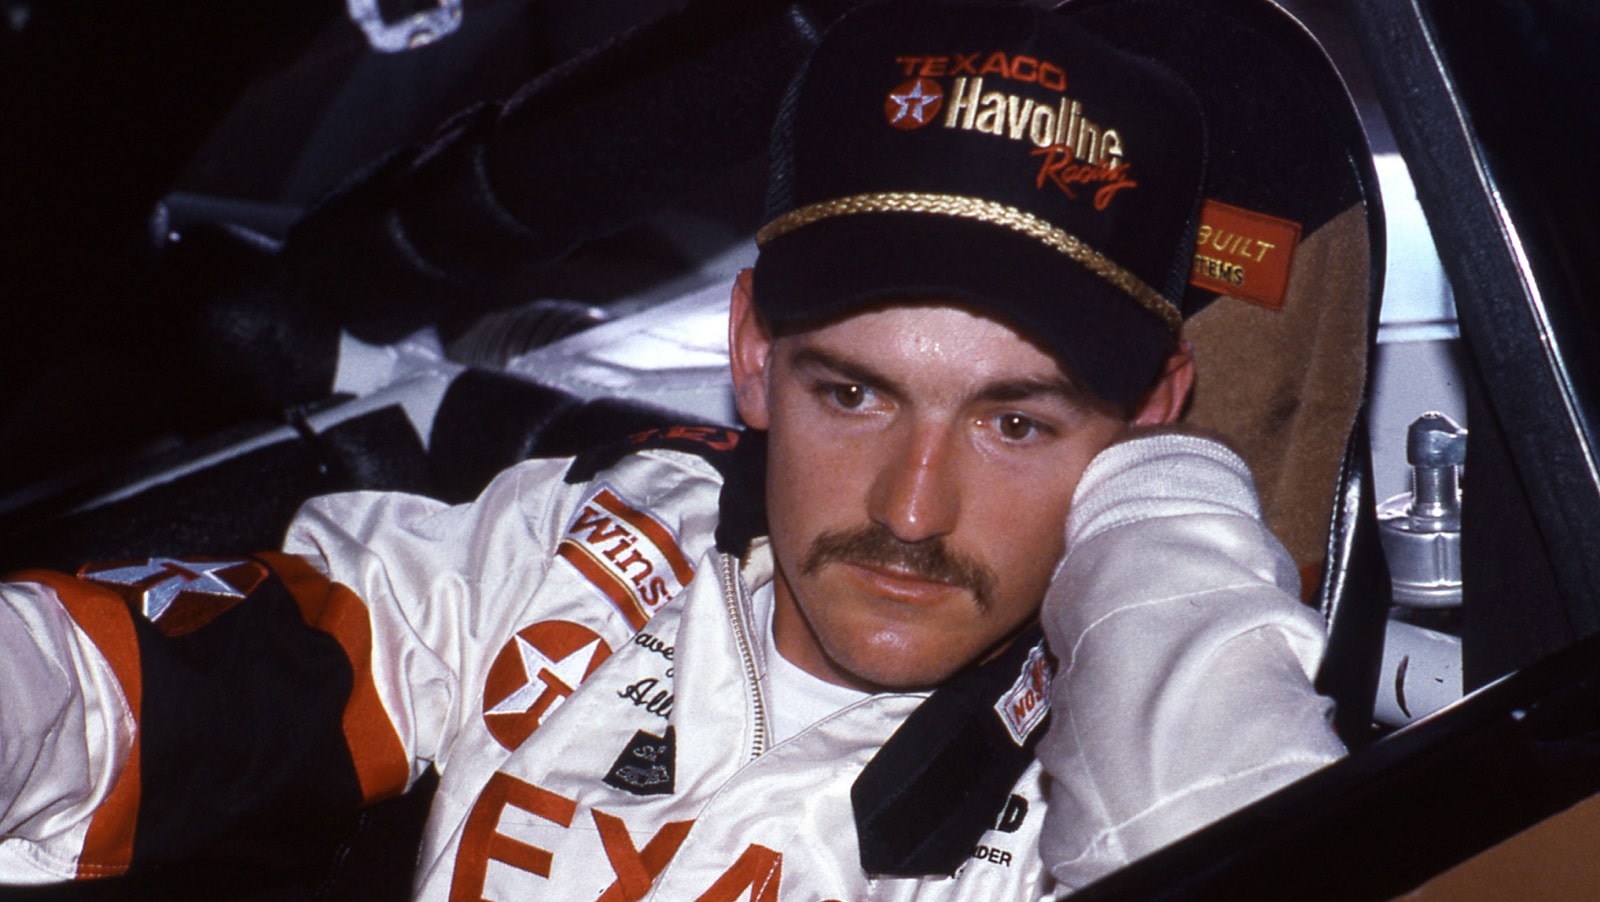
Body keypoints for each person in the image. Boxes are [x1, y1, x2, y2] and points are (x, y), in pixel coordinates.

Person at [0, 0, 1345, 897]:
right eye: (856, 394)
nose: (915, 509)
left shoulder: (1088, 776)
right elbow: (122, 691)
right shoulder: (583, 554)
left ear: (1151, 414)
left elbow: (1251, 843)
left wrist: (1171, 498)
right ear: (754, 348)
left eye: (1015, 421)